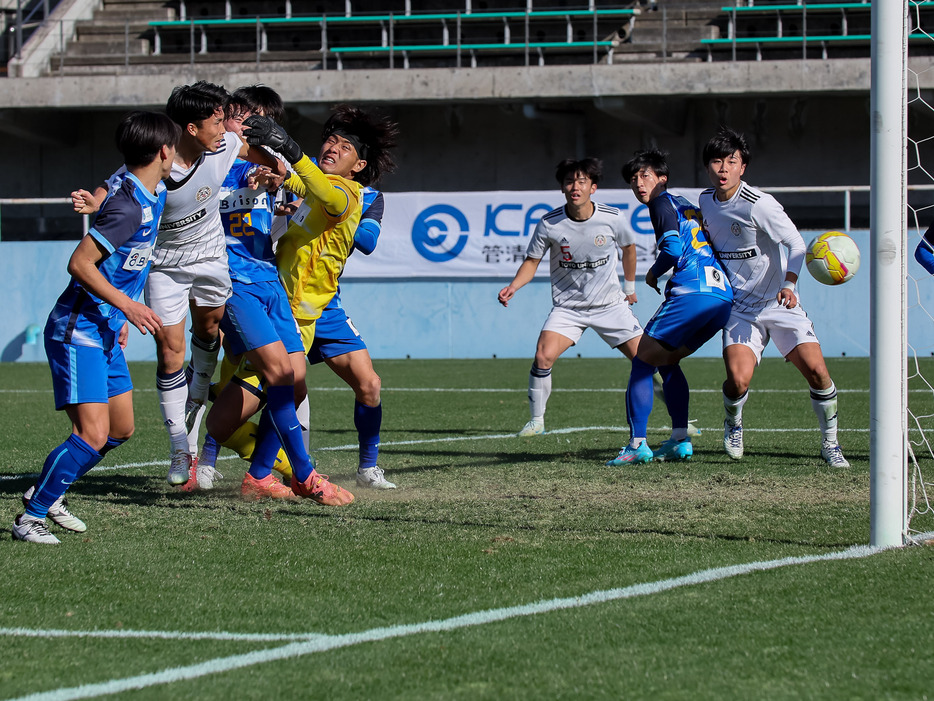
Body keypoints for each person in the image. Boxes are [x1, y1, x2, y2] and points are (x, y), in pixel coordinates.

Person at [71, 81, 284, 488]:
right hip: (165, 266)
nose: (226, 128)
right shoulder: (158, 160)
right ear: (189, 128)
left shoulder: (223, 147)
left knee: (209, 334)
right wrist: (97, 202)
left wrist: (270, 168)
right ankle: (178, 447)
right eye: (218, 120)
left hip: (210, 259)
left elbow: (257, 154)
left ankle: (194, 410)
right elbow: (116, 182)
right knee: (171, 350)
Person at [202, 105, 397, 497]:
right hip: (274, 304)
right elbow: (301, 184)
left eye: (343, 147)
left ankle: (255, 473)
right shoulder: (308, 186)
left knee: (300, 389)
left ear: (358, 165)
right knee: (261, 400)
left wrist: (290, 151)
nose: (332, 147)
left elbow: (324, 193)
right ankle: (221, 463)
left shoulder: (349, 193)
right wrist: (278, 175)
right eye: (330, 140)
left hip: (303, 312)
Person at [14, 112, 179, 544]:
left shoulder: (149, 189)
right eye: (174, 146)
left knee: (120, 430)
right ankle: (30, 516)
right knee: (91, 433)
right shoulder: (129, 207)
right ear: (164, 152)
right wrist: (127, 305)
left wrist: (97, 199)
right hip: (78, 330)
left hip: (105, 330)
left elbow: (119, 181)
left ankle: (48, 490)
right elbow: (79, 263)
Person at [188, 85, 352, 505]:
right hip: (232, 283)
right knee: (270, 378)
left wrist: (281, 178)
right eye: (242, 117)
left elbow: (313, 194)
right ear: (223, 118)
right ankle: (303, 474)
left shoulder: (268, 163)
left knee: (294, 385)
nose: (249, 127)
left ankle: (250, 473)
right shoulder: (206, 162)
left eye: (260, 120)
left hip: (270, 282)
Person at [698, 127, 849, 468]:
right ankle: (733, 422)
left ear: (743, 167)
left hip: (778, 304)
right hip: (739, 310)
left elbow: (797, 244)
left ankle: (831, 444)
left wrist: (790, 285)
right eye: (716, 161)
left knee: (818, 372)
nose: (723, 168)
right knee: (737, 381)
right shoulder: (705, 200)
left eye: (731, 161)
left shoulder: (760, 205)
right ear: (708, 167)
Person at [498, 158, 642, 437]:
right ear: (563, 188)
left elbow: (629, 249)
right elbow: (531, 261)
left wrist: (629, 288)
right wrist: (514, 286)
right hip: (568, 309)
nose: (575, 186)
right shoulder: (550, 223)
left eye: (581, 181)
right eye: (569, 181)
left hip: (610, 305)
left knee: (647, 360)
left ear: (593, 187)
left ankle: (680, 422)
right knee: (543, 356)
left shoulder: (613, 218)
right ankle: (536, 421)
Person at [607, 149, 733, 465]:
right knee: (667, 360)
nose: (638, 183)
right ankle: (679, 440)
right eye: (633, 179)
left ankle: (637, 445)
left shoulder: (661, 202)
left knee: (642, 360)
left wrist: (652, 272)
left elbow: (674, 250)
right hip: (721, 298)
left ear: (662, 178)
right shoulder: (685, 205)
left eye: (645, 175)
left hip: (692, 292)